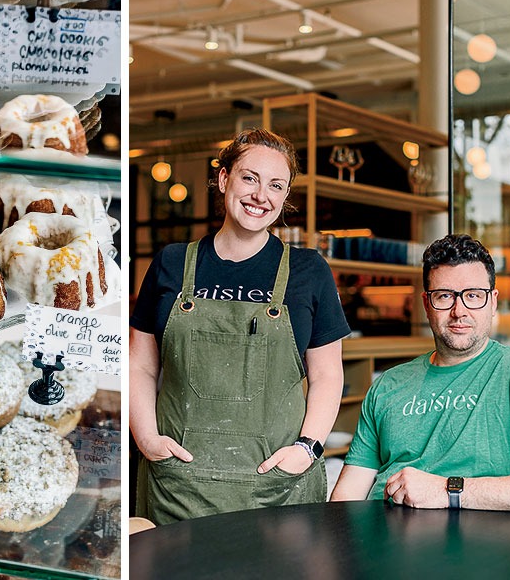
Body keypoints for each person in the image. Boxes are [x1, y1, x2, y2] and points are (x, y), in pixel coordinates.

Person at [130, 128, 351, 525]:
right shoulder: (171, 263)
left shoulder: (309, 271)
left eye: (276, 185)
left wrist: (307, 448)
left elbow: (328, 375)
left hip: (277, 488)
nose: (260, 195)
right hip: (179, 485)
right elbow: (140, 365)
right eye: (249, 178)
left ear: (285, 197)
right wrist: (146, 438)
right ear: (223, 179)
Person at [331, 234, 510, 511]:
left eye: (473, 295)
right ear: (426, 304)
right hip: (380, 542)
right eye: (444, 296)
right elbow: (346, 497)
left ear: (493, 302)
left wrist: (449, 490)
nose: (459, 311)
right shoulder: (387, 384)